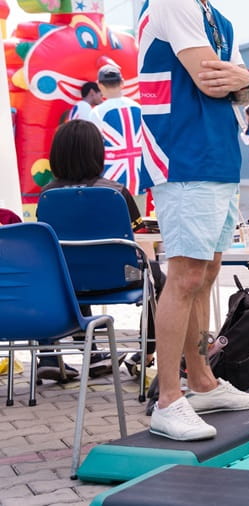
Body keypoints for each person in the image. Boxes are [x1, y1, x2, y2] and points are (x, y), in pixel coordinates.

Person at [138, 0, 249, 441]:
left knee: (207, 273)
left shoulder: (220, 20)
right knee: (186, 274)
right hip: (182, 154)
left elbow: (245, 91)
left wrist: (247, 79)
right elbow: (213, 81)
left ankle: (203, 380)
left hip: (216, 157)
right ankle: (169, 399)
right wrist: (238, 80)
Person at [37, 120, 153, 381]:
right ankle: (145, 352)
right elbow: (140, 236)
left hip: (66, 286)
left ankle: (49, 355)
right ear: (97, 153)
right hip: (118, 281)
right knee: (158, 278)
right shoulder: (115, 193)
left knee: (69, 266)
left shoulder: (47, 196)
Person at [89, 64, 148, 197]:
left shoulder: (97, 112)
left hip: (110, 182)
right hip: (139, 178)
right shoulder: (138, 108)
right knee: (139, 217)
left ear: (99, 85)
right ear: (122, 83)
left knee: (111, 217)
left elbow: (92, 148)